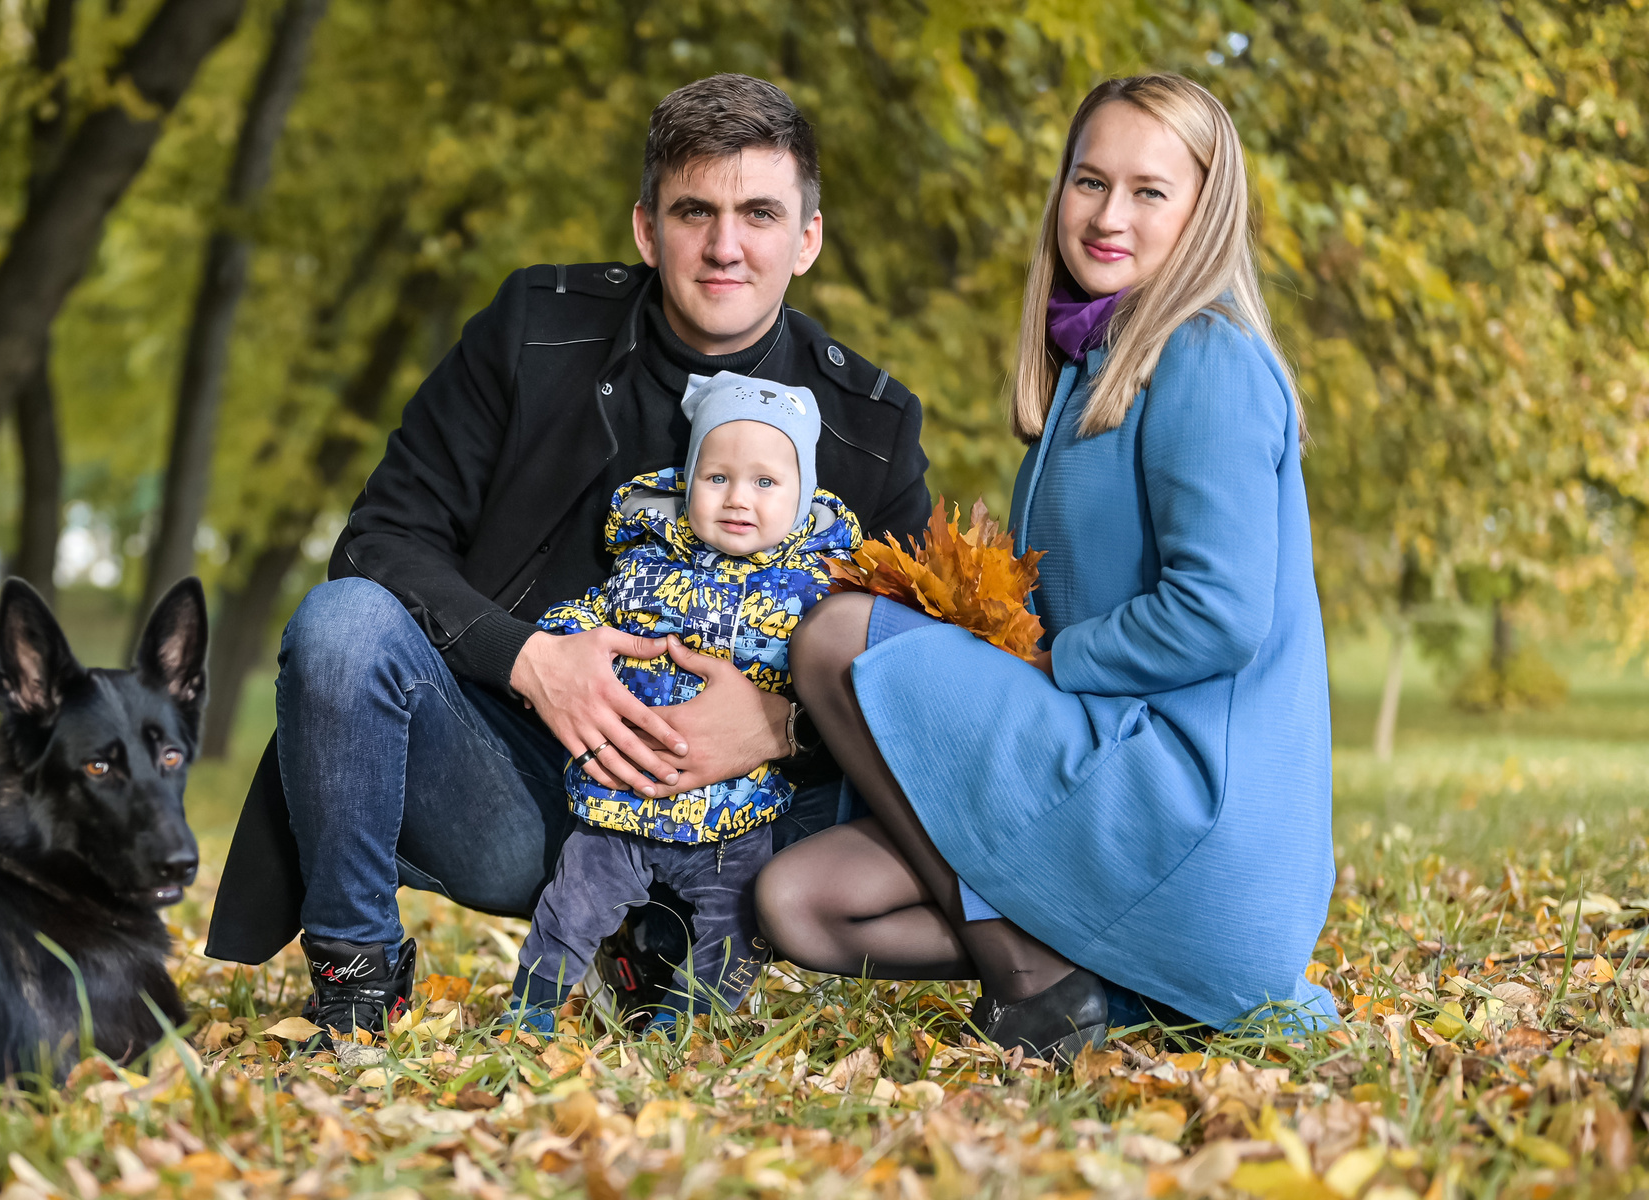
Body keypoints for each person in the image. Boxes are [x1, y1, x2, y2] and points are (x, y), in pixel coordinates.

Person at [204, 74, 932, 1042]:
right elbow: (381, 539)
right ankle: (357, 974)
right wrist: (528, 660)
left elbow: (919, 678)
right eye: (695, 211)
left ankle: (659, 939)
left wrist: (781, 727)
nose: (725, 245)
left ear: (806, 238)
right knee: (340, 625)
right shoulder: (533, 330)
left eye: (759, 213)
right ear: (646, 229)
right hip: (521, 788)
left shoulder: (872, 428)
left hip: (748, 821)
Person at [755, 72, 1338, 1058]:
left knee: (838, 638)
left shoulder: (1206, 356)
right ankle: (1106, 984)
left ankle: (1033, 986)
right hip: (1107, 763)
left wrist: (1046, 663)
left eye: (1149, 191)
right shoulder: (1088, 373)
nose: (1108, 216)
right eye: (1089, 181)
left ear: (1204, 211)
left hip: (1189, 803)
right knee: (800, 902)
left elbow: (1219, 614)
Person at [510, 378, 856, 1032]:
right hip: (622, 796)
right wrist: (558, 641)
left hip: (736, 812)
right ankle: (530, 1014)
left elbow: (836, 681)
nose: (738, 498)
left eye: (765, 482)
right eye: (716, 477)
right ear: (688, 480)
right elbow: (595, 614)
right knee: (570, 907)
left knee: (740, 928)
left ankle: (681, 1030)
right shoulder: (647, 564)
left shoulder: (817, 592)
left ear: (803, 496)